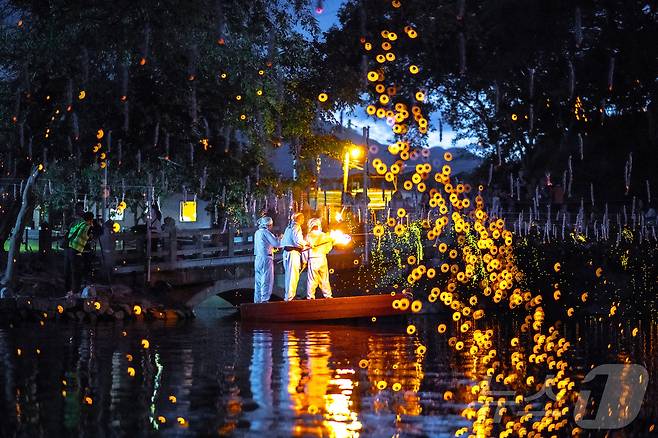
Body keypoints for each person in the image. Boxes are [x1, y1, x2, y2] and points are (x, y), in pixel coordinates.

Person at [64, 212, 94, 296]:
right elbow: (90, 238)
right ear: (90, 219)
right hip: (76, 250)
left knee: (70, 271)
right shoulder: (87, 227)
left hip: (69, 248)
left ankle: (68, 290)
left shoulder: (78, 223)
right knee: (76, 272)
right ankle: (75, 292)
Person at [280, 212, 308, 301]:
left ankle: (288, 296)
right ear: (299, 219)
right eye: (302, 218)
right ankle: (290, 297)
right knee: (293, 275)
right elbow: (298, 241)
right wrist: (306, 243)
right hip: (293, 253)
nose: (303, 220)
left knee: (288, 275)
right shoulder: (296, 227)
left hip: (286, 253)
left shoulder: (288, 227)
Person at [253, 216, 281, 303]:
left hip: (258, 258)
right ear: (269, 225)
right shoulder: (266, 232)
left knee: (258, 281)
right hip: (266, 258)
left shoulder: (257, 232)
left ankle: (257, 301)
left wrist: (271, 248)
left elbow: (264, 245)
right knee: (267, 279)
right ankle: (264, 300)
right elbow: (276, 243)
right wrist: (280, 238)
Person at [305, 218, 333, 300]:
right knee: (324, 278)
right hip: (322, 258)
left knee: (312, 279)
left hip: (313, 259)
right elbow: (328, 248)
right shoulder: (324, 235)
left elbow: (305, 250)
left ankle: (310, 297)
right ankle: (328, 295)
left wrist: (304, 260)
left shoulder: (308, 236)